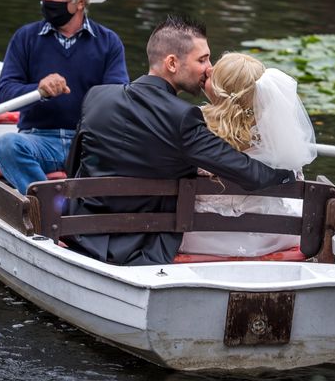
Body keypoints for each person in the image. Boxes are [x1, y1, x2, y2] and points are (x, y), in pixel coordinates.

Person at [62, 15, 295, 266]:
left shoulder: (96, 96)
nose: (209, 69)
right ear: (172, 63)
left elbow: (72, 165)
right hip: (139, 244)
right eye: (202, 59)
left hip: (80, 231)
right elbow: (248, 172)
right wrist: (287, 177)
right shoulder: (182, 117)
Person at [0, 0, 129, 194]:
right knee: (5, 146)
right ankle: (50, 205)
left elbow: (119, 98)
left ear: (80, 1)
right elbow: (4, 95)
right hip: (38, 140)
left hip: (86, 144)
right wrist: (39, 91)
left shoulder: (109, 42)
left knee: (129, 153)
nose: (46, 0)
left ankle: (72, 207)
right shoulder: (25, 37)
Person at [178, 52, 317, 257]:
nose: (209, 69)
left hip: (199, 237)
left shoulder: (192, 125)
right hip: (271, 236)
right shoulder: (273, 132)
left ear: (220, 90)